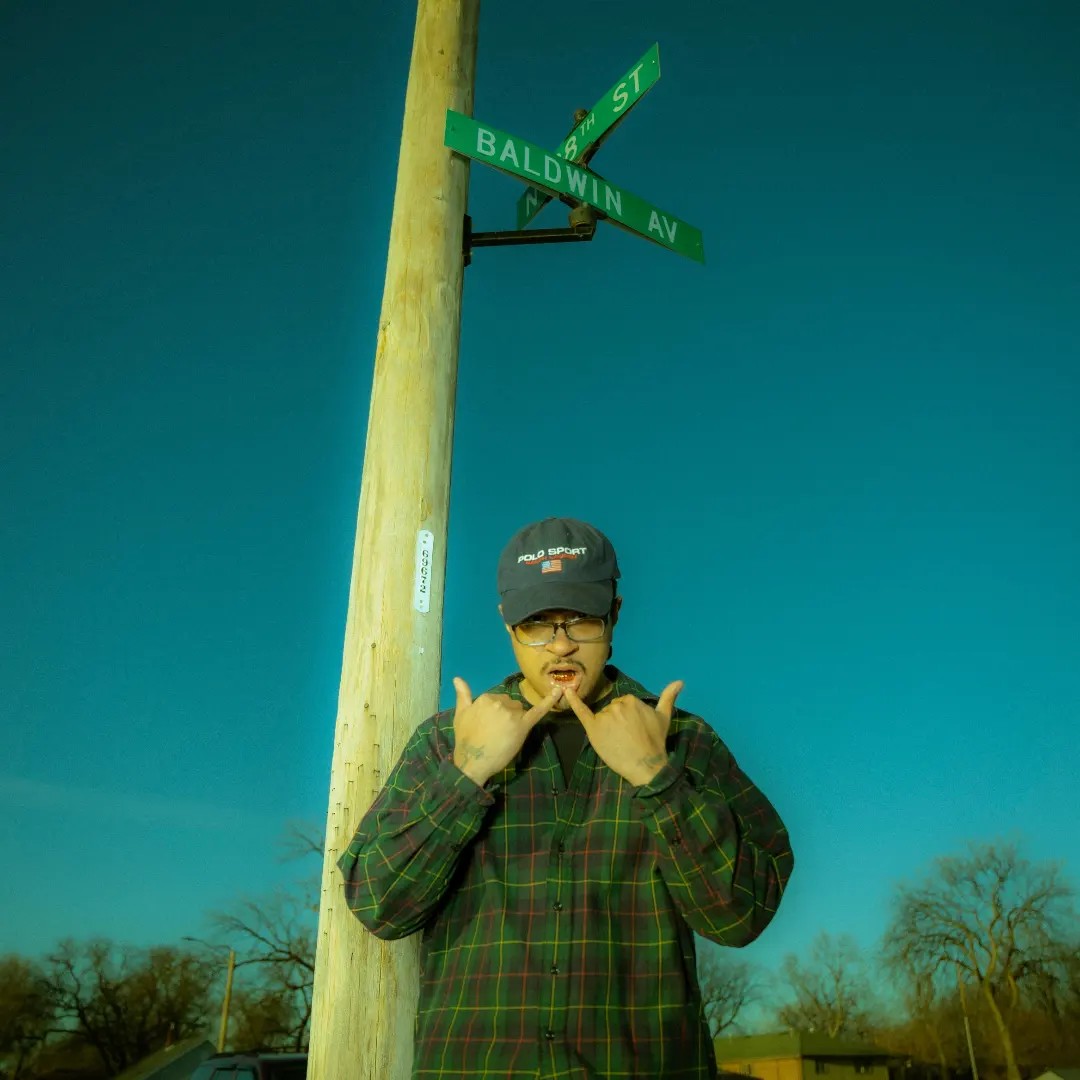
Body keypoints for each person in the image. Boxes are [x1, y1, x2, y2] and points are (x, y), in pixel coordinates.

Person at [339, 518, 794, 1079]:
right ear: (507, 624)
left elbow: (740, 916)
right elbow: (379, 906)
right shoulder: (444, 741)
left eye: (580, 618)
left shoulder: (683, 740)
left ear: (614, 614)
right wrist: (468, 772)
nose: (560, 643)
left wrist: (656, 776)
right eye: (536, 623)